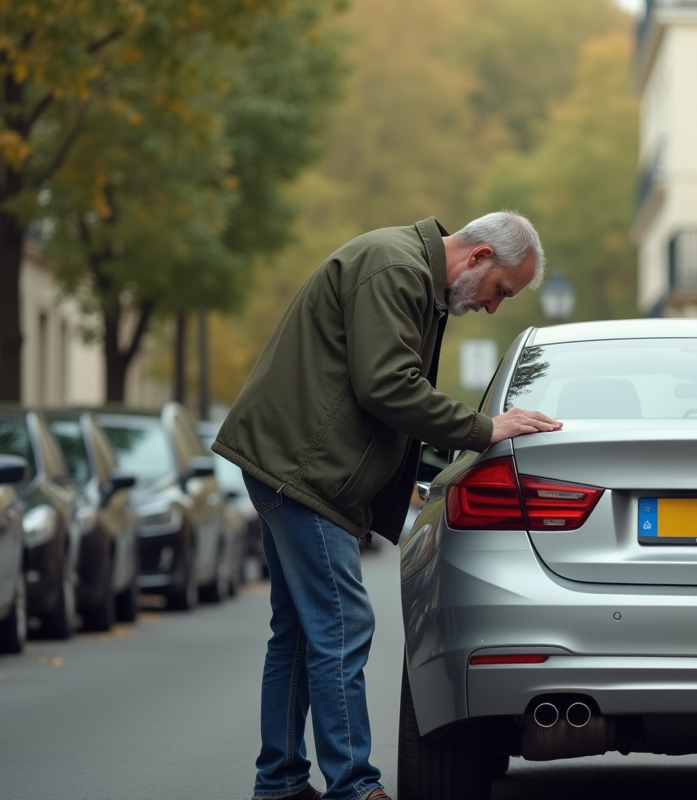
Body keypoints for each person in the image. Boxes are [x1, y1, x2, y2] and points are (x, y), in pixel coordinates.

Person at [213, 212, 562, 800]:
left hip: (292, 462)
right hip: (302, 471)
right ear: (477, 257)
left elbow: (379, 395)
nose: (494, 306)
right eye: (501, 290)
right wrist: (484, 428)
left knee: (298, 632)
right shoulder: (397, 268)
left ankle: (279, 782)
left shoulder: (413, 276)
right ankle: (353, 786)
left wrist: (432, 470)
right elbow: (387, 386)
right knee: (343, 622)